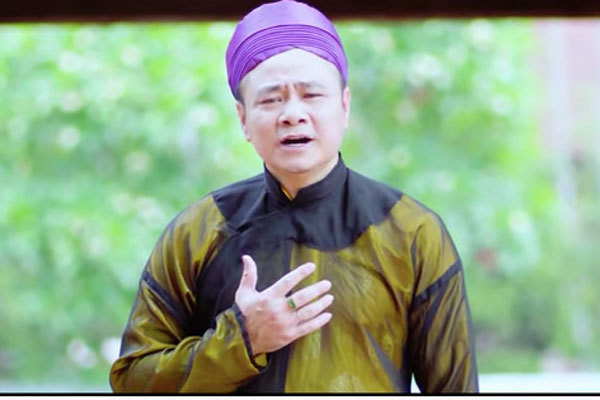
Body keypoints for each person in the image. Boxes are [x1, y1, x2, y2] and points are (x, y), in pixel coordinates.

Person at [109, 0, 479, 393]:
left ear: (344, 106)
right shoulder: (198, 232)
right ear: (243, 119)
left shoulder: (411, 232)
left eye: (311, 94)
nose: (292, 114)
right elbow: (132, 379)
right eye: (271, 99)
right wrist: (242, 340)